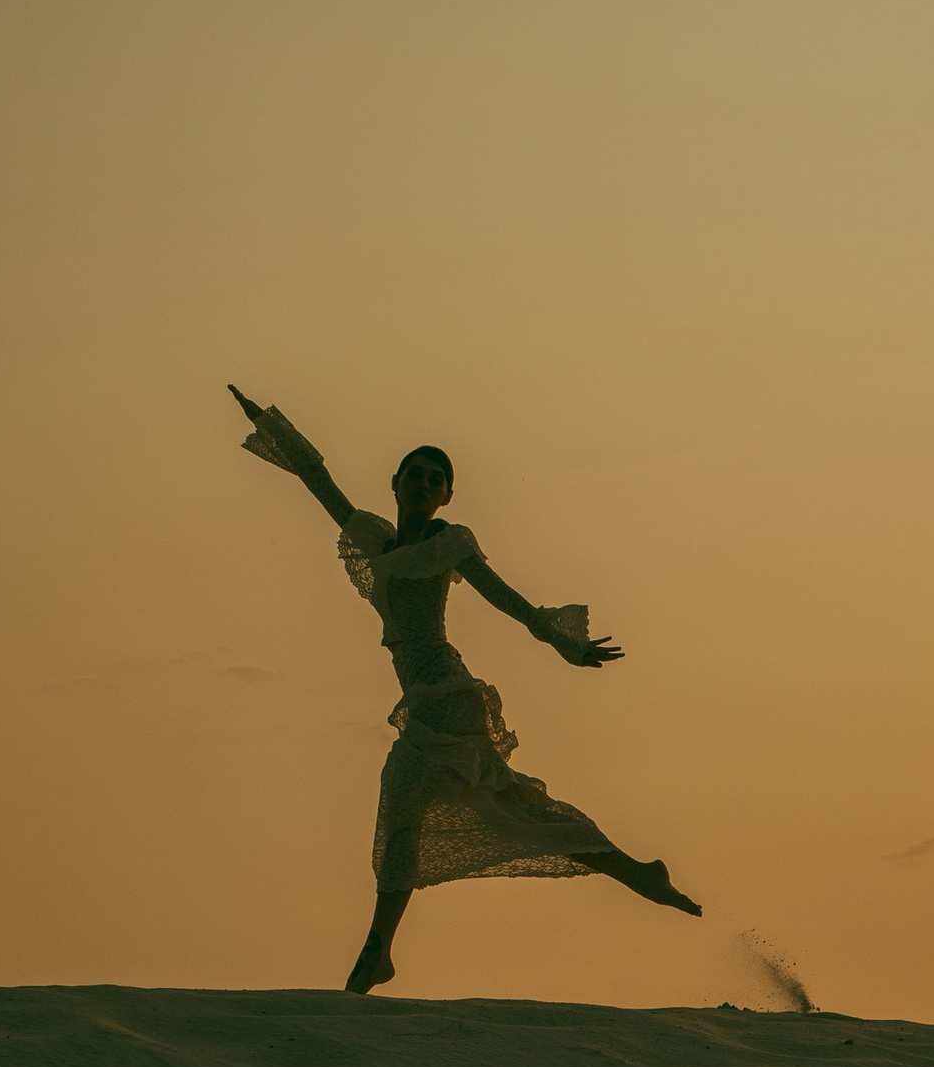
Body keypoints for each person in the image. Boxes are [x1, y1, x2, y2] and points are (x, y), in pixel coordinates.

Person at [229, 387, 701, 993]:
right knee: (503, 811)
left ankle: (377, 952)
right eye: (416, 476)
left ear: (447, 495)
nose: (425, 485)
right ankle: (639, 874)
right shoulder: (377, 541)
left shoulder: (448, 544)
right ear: (395, 483)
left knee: (432, 809)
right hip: (432, 698)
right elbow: (317, 480)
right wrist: (266, 421)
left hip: (446, 696)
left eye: (437, 480)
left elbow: (505, 596)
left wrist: (565, 643)